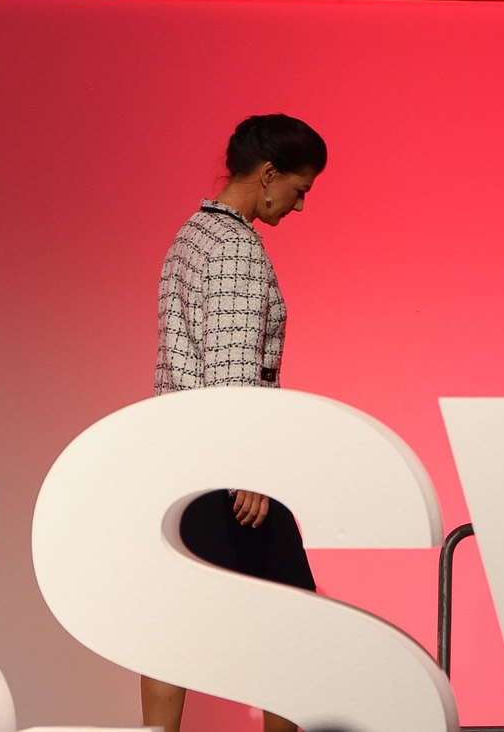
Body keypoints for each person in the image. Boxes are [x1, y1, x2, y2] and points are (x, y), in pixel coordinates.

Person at [142, 113, 328, 732]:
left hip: (181, 464)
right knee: (293, 626)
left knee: (172, 624)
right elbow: (232, 370)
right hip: (228, 472)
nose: (300, 206)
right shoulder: (236, 249)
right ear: (268, 174)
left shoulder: (192, 235)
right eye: (299, 189)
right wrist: (248, 469)